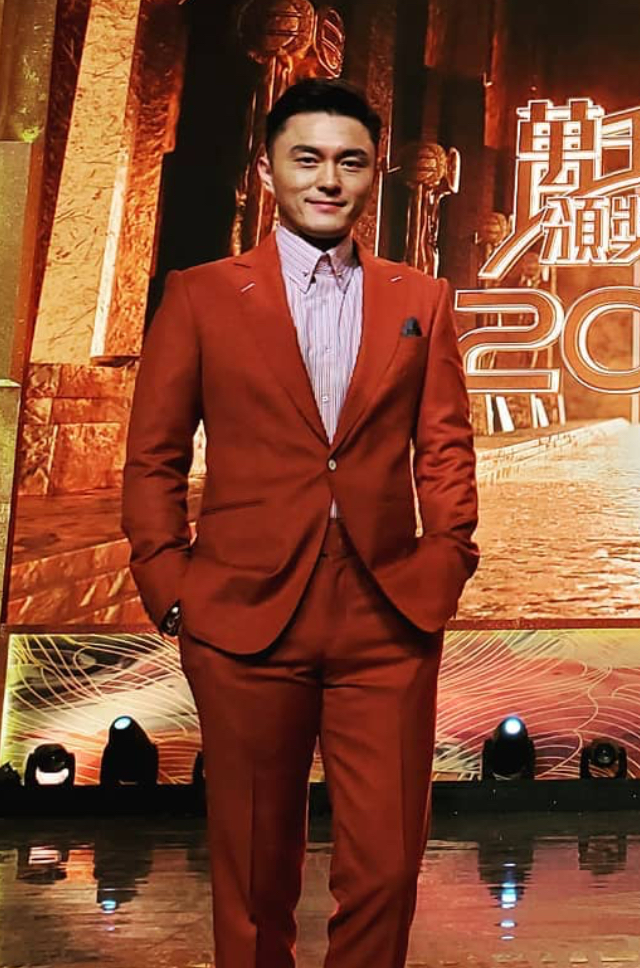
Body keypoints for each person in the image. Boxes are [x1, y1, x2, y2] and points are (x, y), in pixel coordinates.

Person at [121, 77, 479, 968]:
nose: (328, 179)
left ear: (374, 173)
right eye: (307, 158)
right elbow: (154, 455)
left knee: (387, 869)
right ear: (268, 168)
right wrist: (169, 585)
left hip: (387, 612)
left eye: (349, 161)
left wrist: (445, 560)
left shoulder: (420, 297)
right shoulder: (201, 294)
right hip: (240, 613)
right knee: (253, 877)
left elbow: (445, 449)